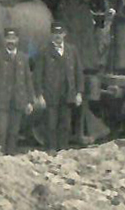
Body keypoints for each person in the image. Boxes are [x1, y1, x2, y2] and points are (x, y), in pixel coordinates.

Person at [33, 20, 89, 151]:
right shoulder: (44, 51)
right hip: (50, 94)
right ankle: (51, 151)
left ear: (65, 34)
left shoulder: (72, 50)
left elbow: (78, 72)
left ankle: (63, 151)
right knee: (51, 124)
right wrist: (39, 95)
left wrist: (79, 93)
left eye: (60, 33)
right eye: (55, 33)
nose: (58, 36)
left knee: (65, 125)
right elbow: (37, 75)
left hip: (67, 94)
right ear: (51, 35)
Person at [0, 28, 39, 153]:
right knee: (1, 131)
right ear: (4, 40)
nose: (11, 41)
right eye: (8, 38)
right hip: (1, 101)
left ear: (17, 40)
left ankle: (11, 157)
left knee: (14, 132)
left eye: (13, 38)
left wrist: (30, 101)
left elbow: (28, 80)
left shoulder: (23, 58)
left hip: (18, 100)